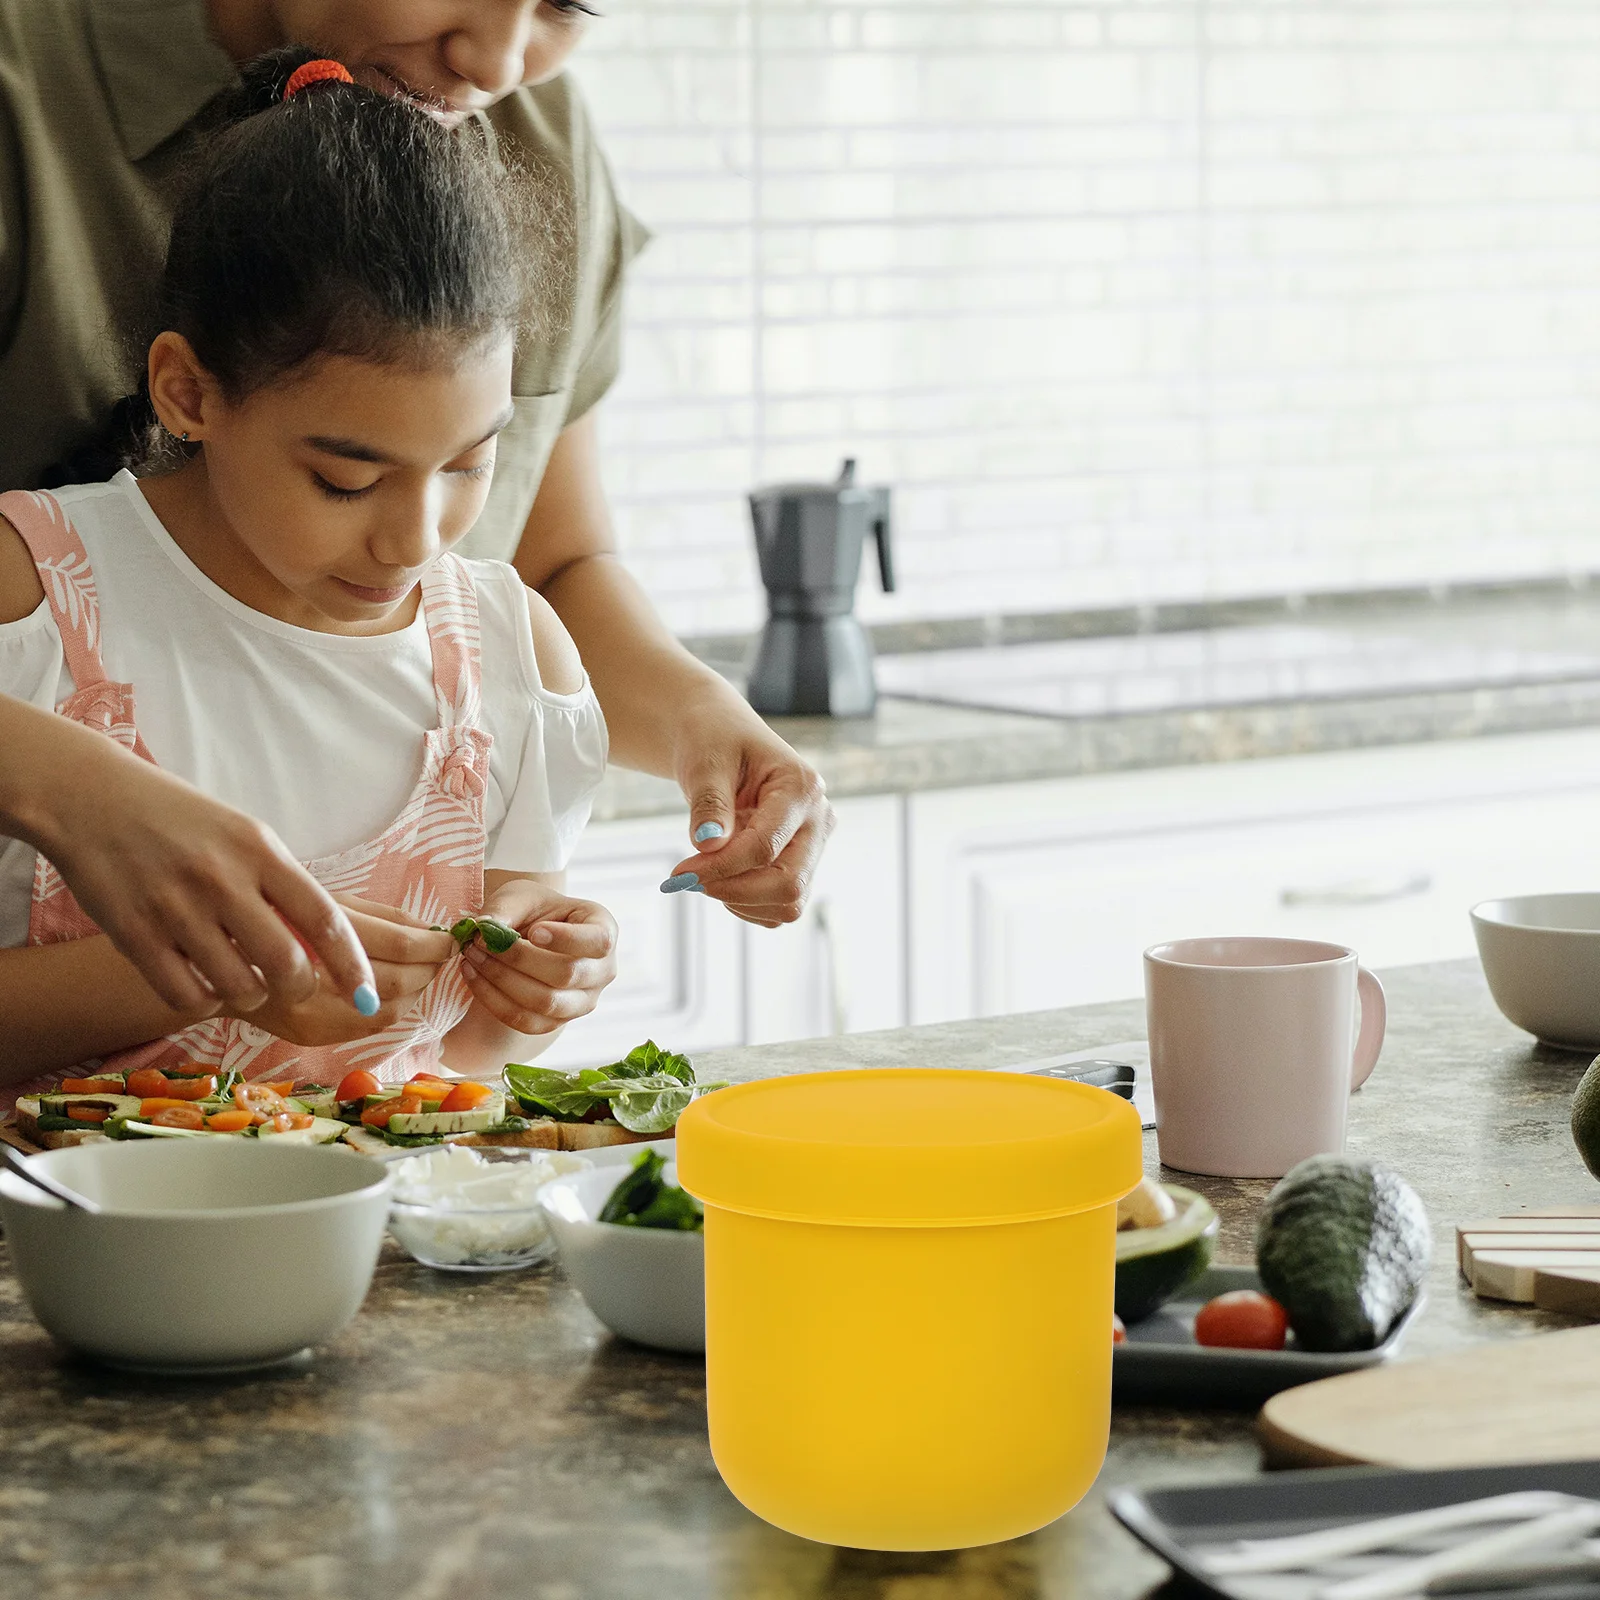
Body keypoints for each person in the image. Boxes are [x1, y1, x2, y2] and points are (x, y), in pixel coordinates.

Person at [0, 0, 834, 957]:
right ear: (183, 390)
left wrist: (707, 724)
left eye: (567, 5)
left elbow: (553, 565)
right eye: (344, 479)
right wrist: (62, 782)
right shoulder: (26, 92)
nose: (499, 59)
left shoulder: (535, 136)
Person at [0, 50, 616, 1089]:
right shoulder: (39, 600)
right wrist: (203, 971)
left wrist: (537, 994)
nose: (415, 540)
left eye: (470, 463)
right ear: (188, 393)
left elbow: (464, 1056)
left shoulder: (513, 658)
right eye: (344, 479)